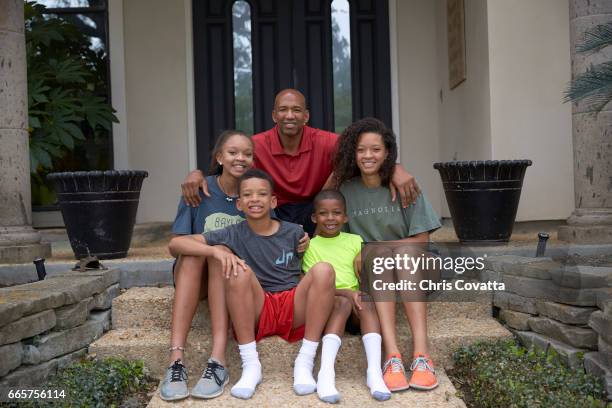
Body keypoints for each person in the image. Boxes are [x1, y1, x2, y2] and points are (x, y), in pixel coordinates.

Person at [168, 169, 337, 400]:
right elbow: (176, 245)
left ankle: (305, 362)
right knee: (238, 270)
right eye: (247, 195)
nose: (255, 199)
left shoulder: (294, 232)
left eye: (261, 194)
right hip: (259, 307)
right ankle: (250, 365)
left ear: (273, 201)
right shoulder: (232, 233)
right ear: (239, 204)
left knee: (324, 270)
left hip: (292, 304)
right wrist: (214, 252)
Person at [180, 89, 421, 235]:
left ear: (306, 116)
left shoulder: (326, 141)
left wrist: (396, 167)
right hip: (274, 210)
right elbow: (227, 163)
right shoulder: (256, 144)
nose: (289, 115)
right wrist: (196, 173)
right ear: (274, 116)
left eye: (296, 110)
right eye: (283, 110)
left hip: (313, 208)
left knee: (328, 204)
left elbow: (367, 150)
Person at [333, 118, 442, 392]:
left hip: (416, 266)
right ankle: (392, 356)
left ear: (388, 153)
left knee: (401, 251)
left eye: (376, 149)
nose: (368, 156)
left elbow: (422, 241)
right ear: (352, 153)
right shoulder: (345, 191)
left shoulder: (407, 185)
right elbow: (338, 239)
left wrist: (370, 247)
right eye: (360, 150)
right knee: (381, 255)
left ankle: (421, 355)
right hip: (376, 271)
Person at [161, 130, 253, 401]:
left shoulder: (254, 193)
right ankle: (176, 359)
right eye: (233, 152)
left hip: (233, 279)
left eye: (247, 154)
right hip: (195, 277)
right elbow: (176, 244)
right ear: (220, 157)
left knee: (221, 251)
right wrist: (213, 252)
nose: (240, 158)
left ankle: (218, 360)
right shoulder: (198, 190)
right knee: (197, 253)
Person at [302, 189, 391, 403]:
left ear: (345, 217)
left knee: (366, 302)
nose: (330, 218)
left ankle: (374, 374)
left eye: (336, 213)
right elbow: (314, 286)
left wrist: (357, 292)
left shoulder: (354, 240)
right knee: (342, 302)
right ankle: (326, 373)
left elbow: (363, 274)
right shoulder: (310, 246)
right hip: (329, 307)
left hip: (356, 307)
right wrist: (347, 293)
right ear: (314, 218)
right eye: (323, 213)